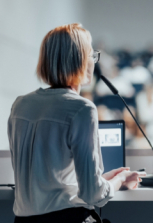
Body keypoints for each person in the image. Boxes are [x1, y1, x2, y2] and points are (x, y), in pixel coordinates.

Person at [7, 24, 145, 223]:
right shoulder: (82, 109)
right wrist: (120, 180)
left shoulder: (20, 105)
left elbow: (49, 186)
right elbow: (94, 196)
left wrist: (104, 179)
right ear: (79, 60)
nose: (94, 61)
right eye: (92, 55)